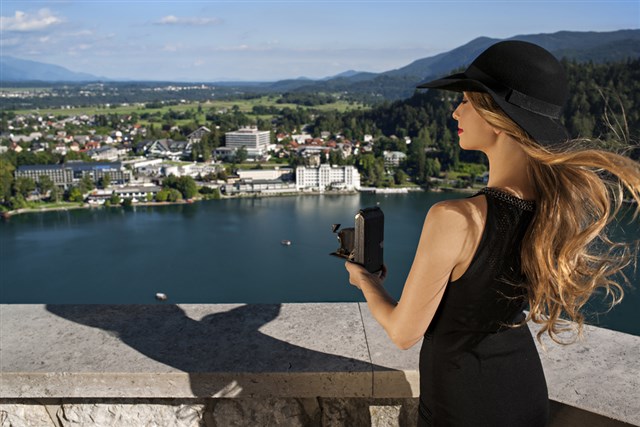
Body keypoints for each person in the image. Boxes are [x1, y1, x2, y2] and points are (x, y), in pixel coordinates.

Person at [344, 40, 640, 427]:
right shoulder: (554, 211)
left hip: (462, 403)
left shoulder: (456, 217)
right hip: (524, 391)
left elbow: (403, 333)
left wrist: (366, 282)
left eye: (466, 100)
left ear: (497, 114)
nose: (455, 111)